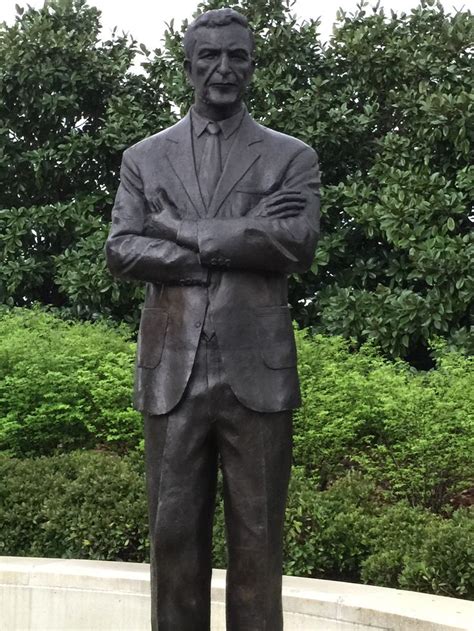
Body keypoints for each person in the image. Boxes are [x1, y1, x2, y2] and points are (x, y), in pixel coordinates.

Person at [105, 8, 320, 631]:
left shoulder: (290, 157)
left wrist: (178, 229)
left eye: (238, 57)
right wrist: (219, 248)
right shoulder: (145, 158)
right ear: (189, 65)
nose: (224, 70)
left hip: (258, 372)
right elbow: (122, 249)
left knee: (259, 543)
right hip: (172, 370)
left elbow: (295, 243)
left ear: (252, 66)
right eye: (210, 58)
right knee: (172, 541)